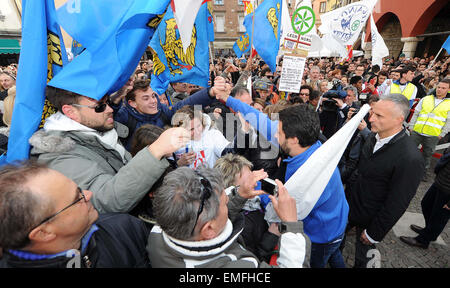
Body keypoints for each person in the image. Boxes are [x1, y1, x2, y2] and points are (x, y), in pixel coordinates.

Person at [215, 92, 349, 268]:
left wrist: (256, 190)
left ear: (293, 140)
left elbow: (282, 207)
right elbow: (257, 118)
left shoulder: (306, 176)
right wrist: (227, 98)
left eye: (278, 133)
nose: (274, 136)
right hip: (335, 223)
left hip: (322, 236)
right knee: (336, 256)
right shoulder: (303, 140)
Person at [29, 85, 190, 214]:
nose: (109, 109)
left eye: (107, 103)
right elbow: (107, 200)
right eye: (99, 107)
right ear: (70, 112)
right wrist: (156, 150)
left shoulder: (100, 132)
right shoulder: (59, 154)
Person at [147, 166, 310, 268]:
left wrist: (239, 195)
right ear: (209, 229)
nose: (229, 200)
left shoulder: (158, 232)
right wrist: (291, 225)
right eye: (226, 202)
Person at [0, 162, 150, 268]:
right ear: (44, 233)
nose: (89, 194)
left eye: (80, 189)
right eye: (77, 198)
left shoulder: (125, 228)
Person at [345, 93, 424, 268]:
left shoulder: (410, 158)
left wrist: (374, 232)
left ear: (399, 119)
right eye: (372, 113)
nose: (371, 119)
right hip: (350, 206)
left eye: (379, 116)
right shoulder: (373, 136)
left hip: (371, 219)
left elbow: (397, 202)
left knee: (363, 259)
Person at [111, 78, 225, 149]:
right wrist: (116, 98)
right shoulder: (124, 117)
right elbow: (108, 114)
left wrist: (210, 92)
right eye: (146, 98)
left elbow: (183, 105)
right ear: (132, 103)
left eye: (153, 96)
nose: (153, 101)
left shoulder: (162, 111)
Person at [399, 147, 450, 249]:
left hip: (447, 191)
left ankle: (423, 240)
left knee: (438, 217)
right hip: (441, 181)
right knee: (426, 204)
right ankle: (430, 231)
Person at [408, 79, 450, 180]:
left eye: (443, 88)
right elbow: (416, 113)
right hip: (417, 131)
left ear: (448, 90)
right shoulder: (426, 99)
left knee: (427, 155)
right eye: (438, 87)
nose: (439, 90)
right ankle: (405, 168)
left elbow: (449, 121)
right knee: (409, 151)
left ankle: (423, 172)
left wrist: (442, 134)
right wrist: (411, 127)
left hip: (433, 134)